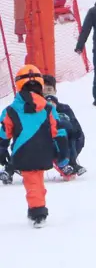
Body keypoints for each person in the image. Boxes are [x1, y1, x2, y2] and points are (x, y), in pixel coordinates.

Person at [0, 65, 70, 227]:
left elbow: (4, 131)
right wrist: (63, 152)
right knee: (37, 182)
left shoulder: (11, 110)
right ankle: (37, 209)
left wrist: (2, 148)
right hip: (44, 151)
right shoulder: (48, 108)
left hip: (23, 152)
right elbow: (58, 131)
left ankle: (38, 212)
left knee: (33, 183)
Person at [41, 75, 86, 176]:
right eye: (43, 90)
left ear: (55, 91)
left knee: (71, 134)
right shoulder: (38, 110)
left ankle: (71, 163)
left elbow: (75, 127)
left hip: (67, 142)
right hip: (48, 144)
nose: (47, 93)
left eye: (49, 89)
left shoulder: (64, 108)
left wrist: (70, 128)